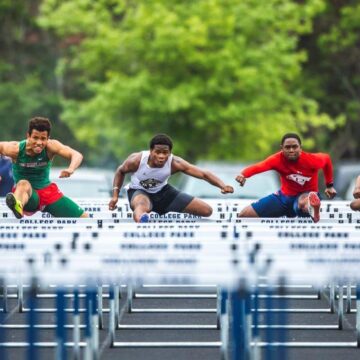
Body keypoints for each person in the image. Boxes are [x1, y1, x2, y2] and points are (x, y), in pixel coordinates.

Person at [108, 133, 234, 222]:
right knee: (142, 205)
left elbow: (203, 174)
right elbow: (120, 171)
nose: (161, 156)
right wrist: (115, 196)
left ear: (170, 152)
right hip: (139, 191)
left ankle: (168, 211)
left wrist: (222, 185)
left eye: (165, 153)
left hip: (163, 192)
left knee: (207, 211)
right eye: (158, 152)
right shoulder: (136, 160)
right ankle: (143, 220)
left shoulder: (175, 163)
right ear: (151, 151)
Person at [235, 133, 337, 223]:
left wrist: (329, 185)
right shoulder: (276, 159)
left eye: (294, 147)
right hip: (283, 198)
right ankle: (310, 208)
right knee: (244, 215)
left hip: (306, 195)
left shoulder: (312, 160)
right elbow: (260, 166)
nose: (291, 150)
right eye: (287, 147)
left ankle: (313, 208)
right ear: (282, 148)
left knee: (302, 202)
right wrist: (243, 174)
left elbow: (327, 159)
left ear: (300, 148)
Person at [0, 117, 88, 218]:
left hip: (49, 193)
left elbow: (76, 155)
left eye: (43, 139)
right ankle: (18, 206)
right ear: (28, 136)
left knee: (85, 218)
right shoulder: (15, 149)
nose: (39, 143)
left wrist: (71, 168)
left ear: (48, 138)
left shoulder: (51, 146)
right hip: (28, 197)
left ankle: (18, 205)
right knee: (23, 183)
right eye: (35, 138)